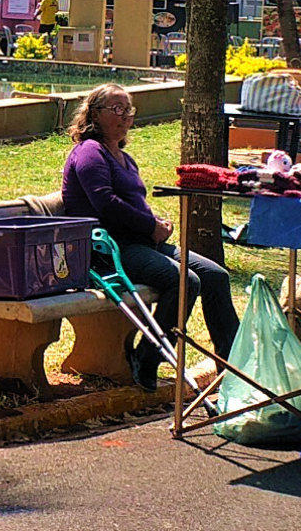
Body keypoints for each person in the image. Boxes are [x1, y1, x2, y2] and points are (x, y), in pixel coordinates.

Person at [62, 85, 240, 391]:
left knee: (215, 276)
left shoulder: (124, 157)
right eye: (116, 109)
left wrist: (155, 223)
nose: (124, 116)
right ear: (95, 114)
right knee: (184, 281)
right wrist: (150, 226)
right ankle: (148, 357)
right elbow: (105, 203)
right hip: (108, 249)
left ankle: (234, 364)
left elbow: (131, 203)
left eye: (128, 110)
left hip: (141, 242)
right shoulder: (90, 151)